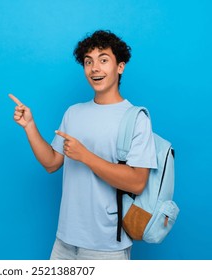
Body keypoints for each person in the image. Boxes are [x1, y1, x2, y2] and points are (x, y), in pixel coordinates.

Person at [9, 30, 157, 260]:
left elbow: (137, 182)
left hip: (107, 247)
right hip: (64, 241)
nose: (95, 68)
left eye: (103, 60)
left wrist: (85, 156)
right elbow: (51, 163)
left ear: (120, 67)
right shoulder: (74, 112)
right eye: (89, 62)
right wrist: (29, 126)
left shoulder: (136, 117)